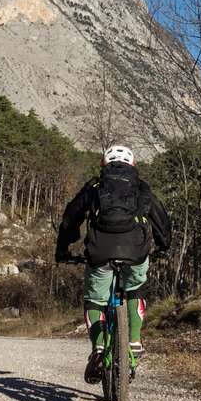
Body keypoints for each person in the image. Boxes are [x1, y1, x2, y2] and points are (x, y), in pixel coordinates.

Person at [55, 144, 171, 384]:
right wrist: (164, 246)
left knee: (96, 299)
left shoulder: (94, 186)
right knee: (135, 289)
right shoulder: (141, 187)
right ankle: (135, 340)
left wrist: (63, 249)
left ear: (103, 164)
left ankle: (99, 347)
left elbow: (71, 217)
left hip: (100, 250)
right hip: (136, 249)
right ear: (133, 165)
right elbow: (160, 218)